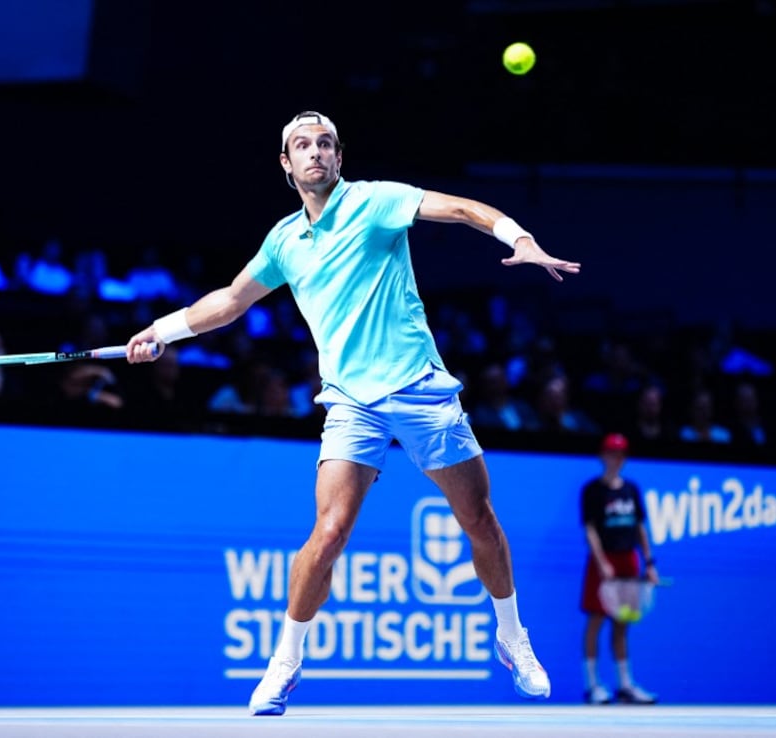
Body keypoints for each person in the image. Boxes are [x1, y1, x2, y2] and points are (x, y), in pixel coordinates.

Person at [125, 111, 580, 715]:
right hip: (351, 403)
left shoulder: (377, 203)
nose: (316, 152)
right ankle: (285, 661)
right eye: (302, 146)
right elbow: (232, 300)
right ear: (286, 165)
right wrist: (162, 331)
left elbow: (467, 209)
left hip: (421, 391)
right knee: (330, 531)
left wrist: (518, 237)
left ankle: (512, 637)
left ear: (339, 158)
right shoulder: (285, 241)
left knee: (479, 520)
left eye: (326, 144)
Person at [579, 433, 659, 705]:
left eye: (620, 454)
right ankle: (592, 685)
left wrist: (648, 563)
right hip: (603, 564)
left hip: (628, 561)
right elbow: (590, 529)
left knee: (622, 623)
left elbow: (640, 528)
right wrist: (601, 562)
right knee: (596, 621)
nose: (615, 459)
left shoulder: (631, 490)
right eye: (611, 453)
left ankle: (625, 685)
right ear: (603, 456)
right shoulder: (592, 491)